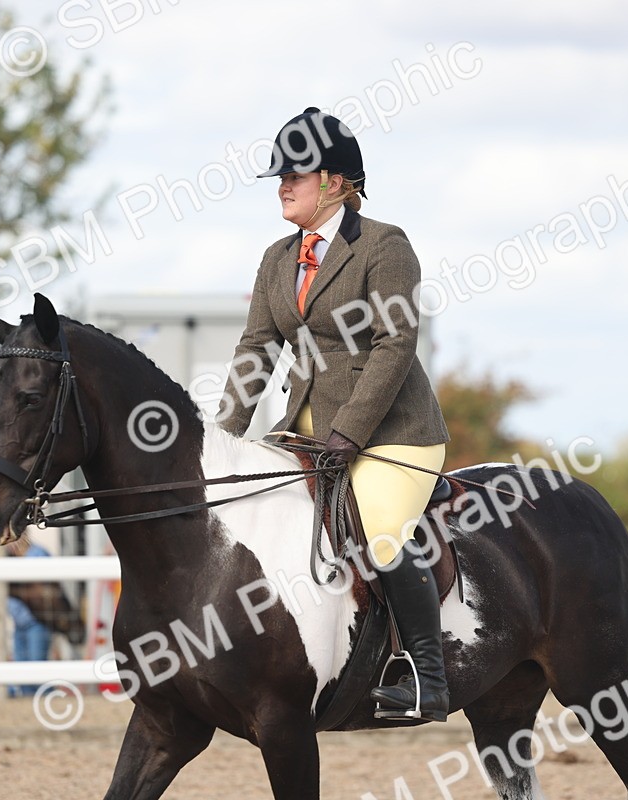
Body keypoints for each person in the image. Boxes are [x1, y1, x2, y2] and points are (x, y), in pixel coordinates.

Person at [218, 108, 452, 721]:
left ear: (336, 182)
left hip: (392, 434)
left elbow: (395, 346)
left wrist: (350, 431)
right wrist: (222, 436)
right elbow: (258, 349)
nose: (282, 184)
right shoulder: (277, 258)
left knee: (377, 531)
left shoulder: (383, 245)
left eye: (295, 173)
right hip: (308, 429)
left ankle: (428, 676)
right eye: (280, 175)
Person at [7, 541, 53, 698]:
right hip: (18, 621)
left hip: (37, 620)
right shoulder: (8, 557)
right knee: (22, 671)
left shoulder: (38, 554)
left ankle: (46, 701)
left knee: (37, 667)